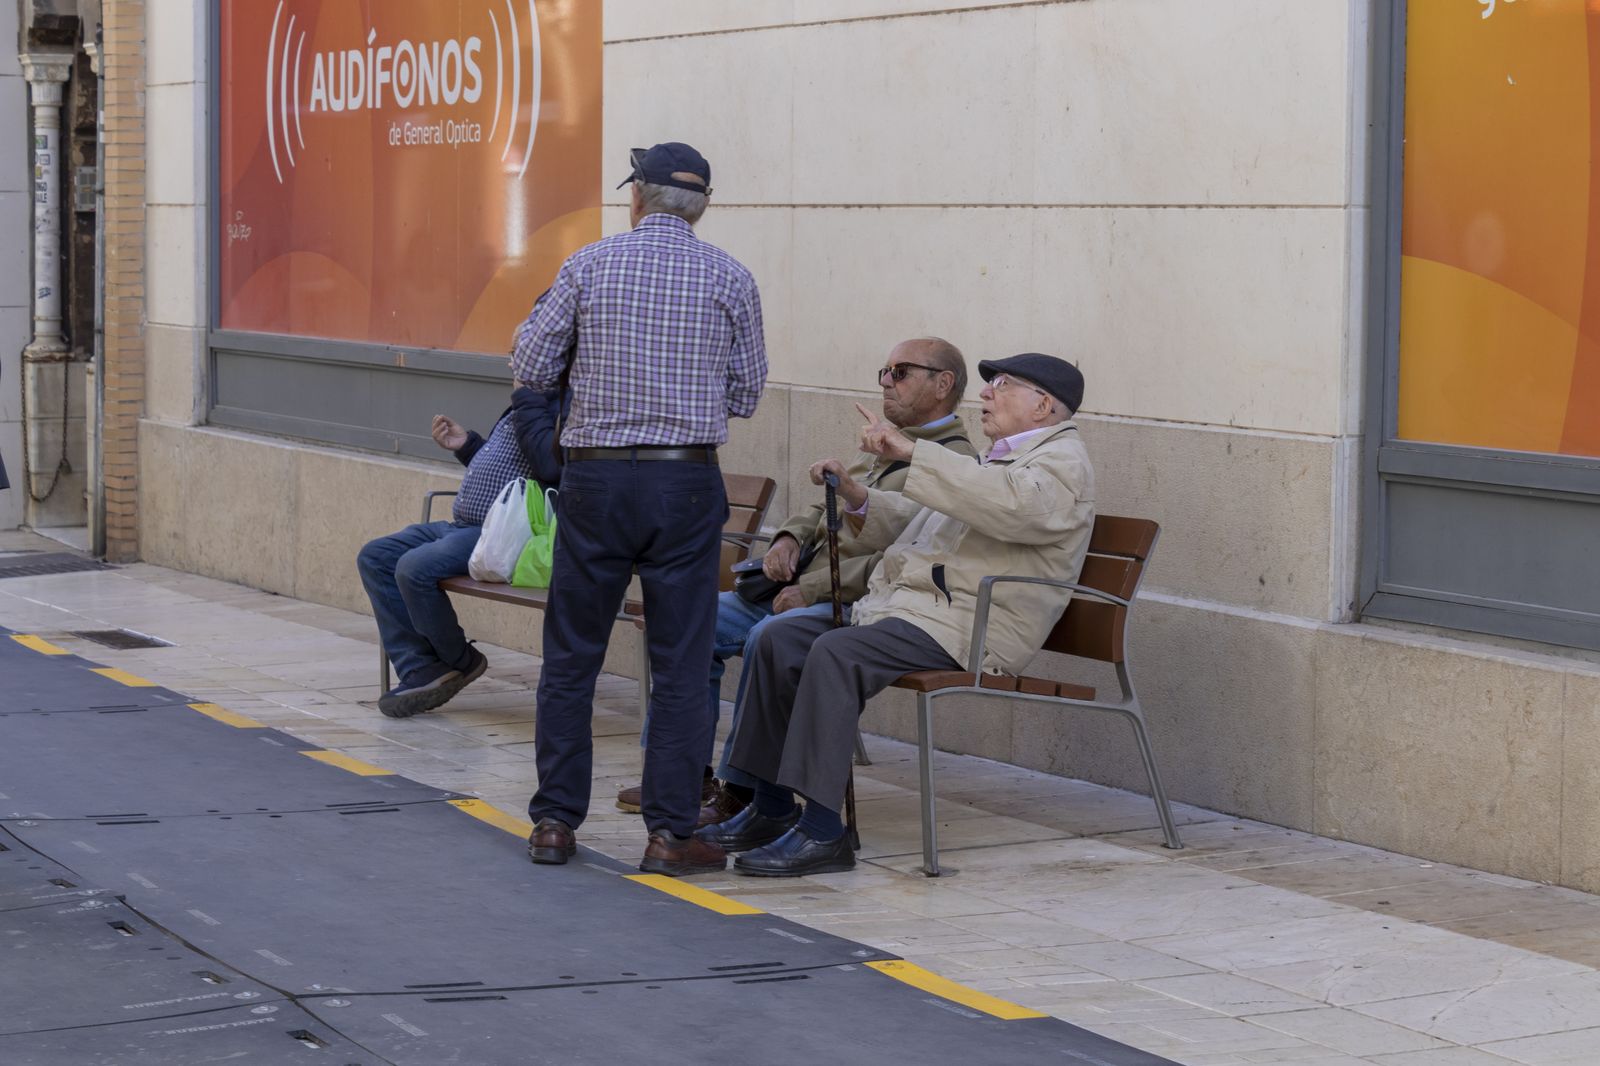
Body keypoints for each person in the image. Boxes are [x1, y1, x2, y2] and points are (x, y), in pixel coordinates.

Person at [700, 353, 1094, 877]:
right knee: (780, 639)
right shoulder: (997, 459)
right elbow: (917, 518)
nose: (986, 395)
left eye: (1001, 385)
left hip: (970, 626)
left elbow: (1011, 508)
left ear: (1043, 404)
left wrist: (914, 451)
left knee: (835, 652)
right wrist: (859, 496)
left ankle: (823, 832)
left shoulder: (1063, 463)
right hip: (914, 611)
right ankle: (770, 808)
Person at [513, 141, 767, 877]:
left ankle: (555, 823)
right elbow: (746, 395)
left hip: (595, 482)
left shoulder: (588, 265)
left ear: (637, 198)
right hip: (685, 483)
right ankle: (668, 833)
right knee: (682, 662)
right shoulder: (732, 276)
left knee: (571, 658)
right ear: (702, 206)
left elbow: (531, 368)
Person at [612, 337, 979, 824]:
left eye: (902, 372)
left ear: (943, 384)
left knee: (772, 638)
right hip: (797, 589)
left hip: (855, 605)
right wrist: (786, 538)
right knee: (685, 620)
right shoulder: (881, 443)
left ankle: (741, 789)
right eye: (885, 371)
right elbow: (816, 507)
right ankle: (681, 773)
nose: (887, 383)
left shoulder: (952, 465)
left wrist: (813, 591)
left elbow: (904, 559)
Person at [357, 387, 564, 718]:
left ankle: (459, 662)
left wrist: (527, 401)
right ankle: (421, 667)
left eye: (519, 353)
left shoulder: (558, 405)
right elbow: (508, 467)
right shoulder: (528, 404)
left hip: (496, 536)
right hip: (460, 526)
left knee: (414, 567)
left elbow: (549, 467)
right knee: (376, 556)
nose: (513, 361)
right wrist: (466, 445)